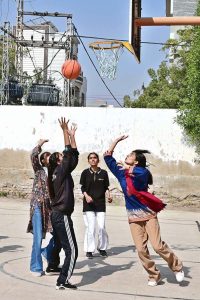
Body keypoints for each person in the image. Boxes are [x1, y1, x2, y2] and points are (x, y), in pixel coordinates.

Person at [104, 135, 184, 287]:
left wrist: (128, 168)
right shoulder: (121, 172)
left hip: (148, 214)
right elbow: (108, 158)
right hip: (133, 216)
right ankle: (154, 275)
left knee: (158, 245)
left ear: (136, 161)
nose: (127, 156)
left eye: (130, 155)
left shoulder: (141, 172)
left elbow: (142, 175)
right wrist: (116, 141)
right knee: (141, 249)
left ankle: (177, 267)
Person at [48, 117, 79, 290]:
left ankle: (55, 267)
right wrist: (64, 131)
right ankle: (62, 280)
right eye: (61, 156)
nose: (63, 155)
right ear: (59, 161)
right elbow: (69, 152)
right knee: (72, 250)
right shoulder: (60, 171)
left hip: (59, 215)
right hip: (61, 215)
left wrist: (72, 136)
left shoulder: (60, 172)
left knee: (66, 247)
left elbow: (74, 156)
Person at [27, 139, 61, 277]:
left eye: (49, 156)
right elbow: (33, 156)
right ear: (42, 160)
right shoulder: (39, 171)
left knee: (59, 235)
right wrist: (39, 145)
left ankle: (46, 252)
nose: (48, 157)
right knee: (38, 237)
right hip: (37, 206)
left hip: (50, 208)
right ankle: (35, 267)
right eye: (46, 156)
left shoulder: (55, 172)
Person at [80, 152, 112, 259]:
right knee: (91, 228)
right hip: (88, 205)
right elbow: (82, 187)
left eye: (95, 158)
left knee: (102, 227)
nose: (93, 159)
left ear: (98, 160)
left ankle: (102, 248)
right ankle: (89, 250)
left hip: (101, 204)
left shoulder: (103, 173)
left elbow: (106, 187)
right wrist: (86, 196)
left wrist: (109, 195)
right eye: (91, 158)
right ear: (88, 160)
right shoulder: (85, 173)